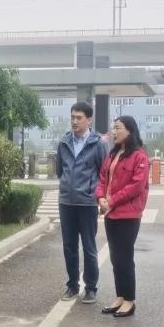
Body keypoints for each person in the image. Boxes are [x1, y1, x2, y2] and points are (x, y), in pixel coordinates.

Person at [95, 116, 150, 318]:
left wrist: (112, 200)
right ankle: (120, 296)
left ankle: (129, 300)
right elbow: (102, 178)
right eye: (113, 128)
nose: (114, 132)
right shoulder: (113, 154)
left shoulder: (139, 156)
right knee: (115, 257)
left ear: (130, 131)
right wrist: (100, 197)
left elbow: (136, 186)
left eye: (118, 128)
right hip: (110, 212)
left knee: (125, 257)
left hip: (128, 214)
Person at [55, 101, 107, 304]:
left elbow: (104, 173)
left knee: (89, 247)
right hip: (66, 202)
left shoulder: (98, 143)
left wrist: (100, 197)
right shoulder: (64, 142)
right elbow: (59, 170)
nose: (74, 121)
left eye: (79, 118)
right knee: (69, 247)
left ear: (89, 120)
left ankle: (91, 287)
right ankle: (72, 286)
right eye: (72, 117)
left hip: (87, 203)